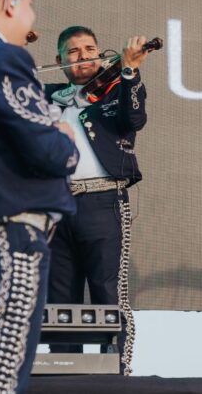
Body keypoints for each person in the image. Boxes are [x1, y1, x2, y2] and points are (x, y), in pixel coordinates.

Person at [0, 0, 79, 392]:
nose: (31, 14)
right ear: (11, 2)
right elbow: (50, 154)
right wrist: (64, 137)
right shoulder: (2, 58)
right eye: (30, 4)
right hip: (2, 241)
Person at [43, 27, 151, 373]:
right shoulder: (44, 96)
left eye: (90, 48)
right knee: (59, 299)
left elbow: (134, 119)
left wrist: (130, 70)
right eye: (73, 51)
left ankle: (118, 372)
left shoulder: (116, 89)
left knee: (108, 290)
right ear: (60, 61)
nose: (83, 55)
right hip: (56, 208)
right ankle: (63, 374)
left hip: (103, 201)